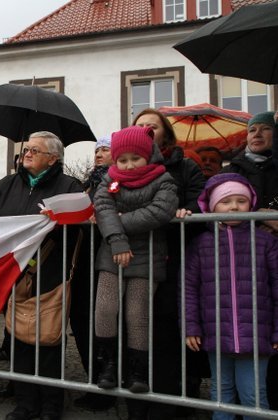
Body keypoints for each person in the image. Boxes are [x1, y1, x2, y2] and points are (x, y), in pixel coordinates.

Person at [0, 131, 84, 420]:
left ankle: (51, 404)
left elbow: (77, 227)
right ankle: (25, 403)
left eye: (35, 151)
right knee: (16, 338)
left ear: (53, 158)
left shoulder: (68, 186)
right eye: (26, 149)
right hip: (12, 272)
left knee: (48, 339)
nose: (27, 153)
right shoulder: (6, 185)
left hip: (50, 271)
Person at [131, 108, 205, 419]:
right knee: (135, 330)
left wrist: (186, 212)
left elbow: (199, 201)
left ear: (165, 133)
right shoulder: (126, 166)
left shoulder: (185, 165)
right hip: (135, 260)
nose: (146, 130)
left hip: (172, 258)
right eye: (140, 126)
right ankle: (136, 402)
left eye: (153, 126)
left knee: (165, 332)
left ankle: (167, 403)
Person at [185, 173, 278, 417]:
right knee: (221, 393)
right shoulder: (202, 243)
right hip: (216, 333)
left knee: (253, 395)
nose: (234, 206)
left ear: (251, 204)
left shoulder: (265, 241)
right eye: (226, 201)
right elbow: (189, 288)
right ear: (213, 205)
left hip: (258, 335)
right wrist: (191, 326)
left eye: (241, 200)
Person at [93, 125, 178, 394]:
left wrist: (120, 223)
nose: (128, 166)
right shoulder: (108, 179)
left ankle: (137, 371)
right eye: (123, 160)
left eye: (135, 159)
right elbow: (103, 208)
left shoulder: (163, 179)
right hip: (112, 253)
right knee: (105, 310)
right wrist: (117, 239)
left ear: (148, 156)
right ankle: (108, 365)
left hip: (147, 256)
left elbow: (160, 211)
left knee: (137, 314)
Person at [71, 134, 116, 411]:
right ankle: (93, 382)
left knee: (103, 327)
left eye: (106, 149)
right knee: (83, 324)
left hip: (106, 261)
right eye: (97, 150)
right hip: (83, 261)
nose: (99, 154)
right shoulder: (86, 184)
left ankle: (106, 387)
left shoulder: (116, 182)